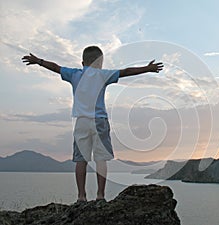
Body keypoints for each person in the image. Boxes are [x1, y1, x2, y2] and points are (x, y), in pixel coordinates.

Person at [22, 46, 164, 202]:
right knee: (100, 159)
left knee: (81, 160)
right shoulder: (102, 75)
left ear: (83, 62)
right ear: (99, 63)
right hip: (99, 121)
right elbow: (126, 72)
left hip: (81, 121)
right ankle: (100, 195)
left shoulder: (75, 74)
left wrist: (38, 61)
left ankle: (81, 196)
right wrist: (147, 68)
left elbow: (56, 67)